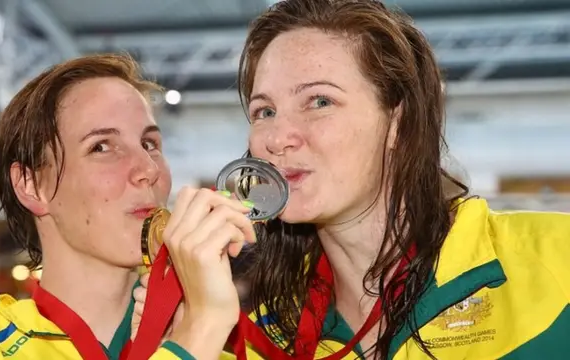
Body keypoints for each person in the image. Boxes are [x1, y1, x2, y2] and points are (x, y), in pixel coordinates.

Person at [133, 0, 570, 359]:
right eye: (265, 111)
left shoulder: (555, 260)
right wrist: (194, 332)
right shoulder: (262, 340)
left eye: (319, 101)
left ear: (397, 122)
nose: (278, 138)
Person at [0, 53, 255, 360]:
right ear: (30, 185)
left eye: (149, 144)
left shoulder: (224, 345)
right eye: (101, 146)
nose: (148, 168)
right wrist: (196, 337)